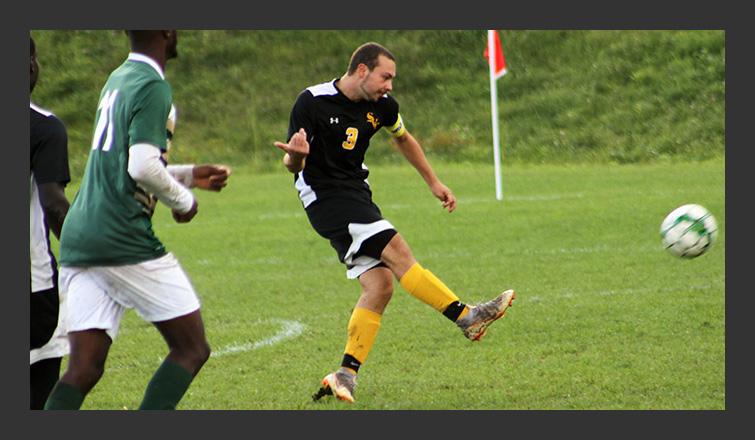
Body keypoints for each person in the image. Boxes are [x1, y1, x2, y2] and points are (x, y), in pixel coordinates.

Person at [274, 42, 515, 404]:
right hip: (324, 198)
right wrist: (295, 158)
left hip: (357, 193)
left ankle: (344, 375)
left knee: (380, 286)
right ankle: (467, 317)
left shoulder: (382, 106)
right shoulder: (311, 102)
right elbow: (293, 165)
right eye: (385, 77)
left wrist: (433, 182)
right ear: (361, 70)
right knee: (397, 249)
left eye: (392, 79)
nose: (390, 85)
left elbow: (404, 139)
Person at [44, 30, 231, 410]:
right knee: (192, 347)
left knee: (83, 368)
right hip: (120, 236)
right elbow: (142, 165)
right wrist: (184, 200)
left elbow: (121, 164)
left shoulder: (119, 77)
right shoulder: (153, 85)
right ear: (165, 31)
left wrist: (188, 175)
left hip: (80, 234)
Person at [30, 35, 71, 410]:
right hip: (32, 288)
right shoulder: (43, 128)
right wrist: (90, 250)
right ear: (29, 65)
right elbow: (54, 203)